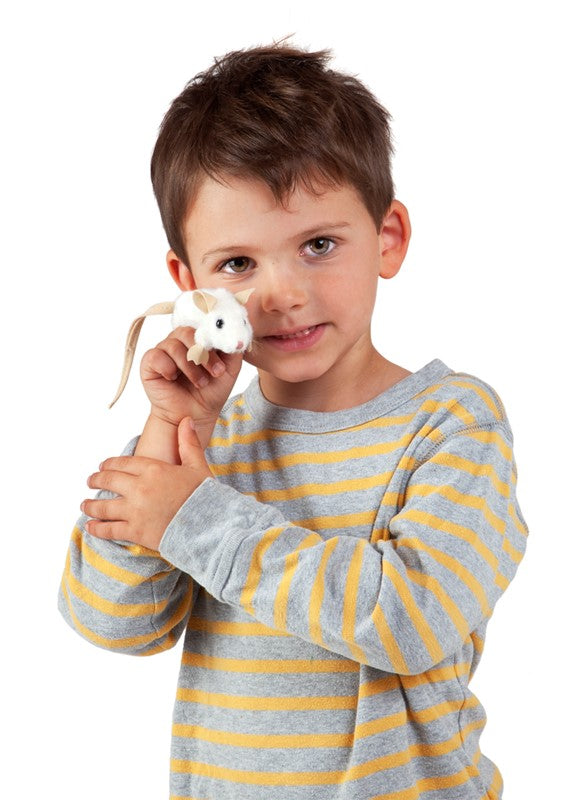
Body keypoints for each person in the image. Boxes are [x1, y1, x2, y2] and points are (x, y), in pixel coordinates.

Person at [59, 43, 528, 800]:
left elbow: (410, 620)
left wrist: (200, 517)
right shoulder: (205, 444)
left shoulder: (453, 425)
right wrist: (171, 430)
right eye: (237, 264)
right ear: (189, 283)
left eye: (318, 245)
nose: (281, 294)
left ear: (389, 239)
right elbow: (112, 620)